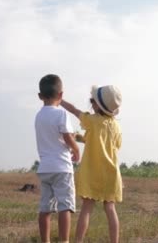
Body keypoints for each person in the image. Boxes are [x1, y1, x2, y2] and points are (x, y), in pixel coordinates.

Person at [60, 85, 123, 243]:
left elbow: (74, 110)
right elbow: (114, 145)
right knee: (110, 208)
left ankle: (78, 241)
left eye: (91, 100)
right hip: (111, 173)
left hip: (93, 172)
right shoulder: (116, 126)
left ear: (97, 105)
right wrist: (80, 138)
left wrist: (59, 100)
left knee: (86, 208)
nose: (90, 103)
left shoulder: (92, 121)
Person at [35, 74, 80, 243]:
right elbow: (67, 138)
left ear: (40, 96)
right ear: (61, 95)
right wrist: (76, 149)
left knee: (45, 208)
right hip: (62, 168)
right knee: (65, 207)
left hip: (45, 168)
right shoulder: (61, 114)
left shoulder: (38, 116)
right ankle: (64, 241)